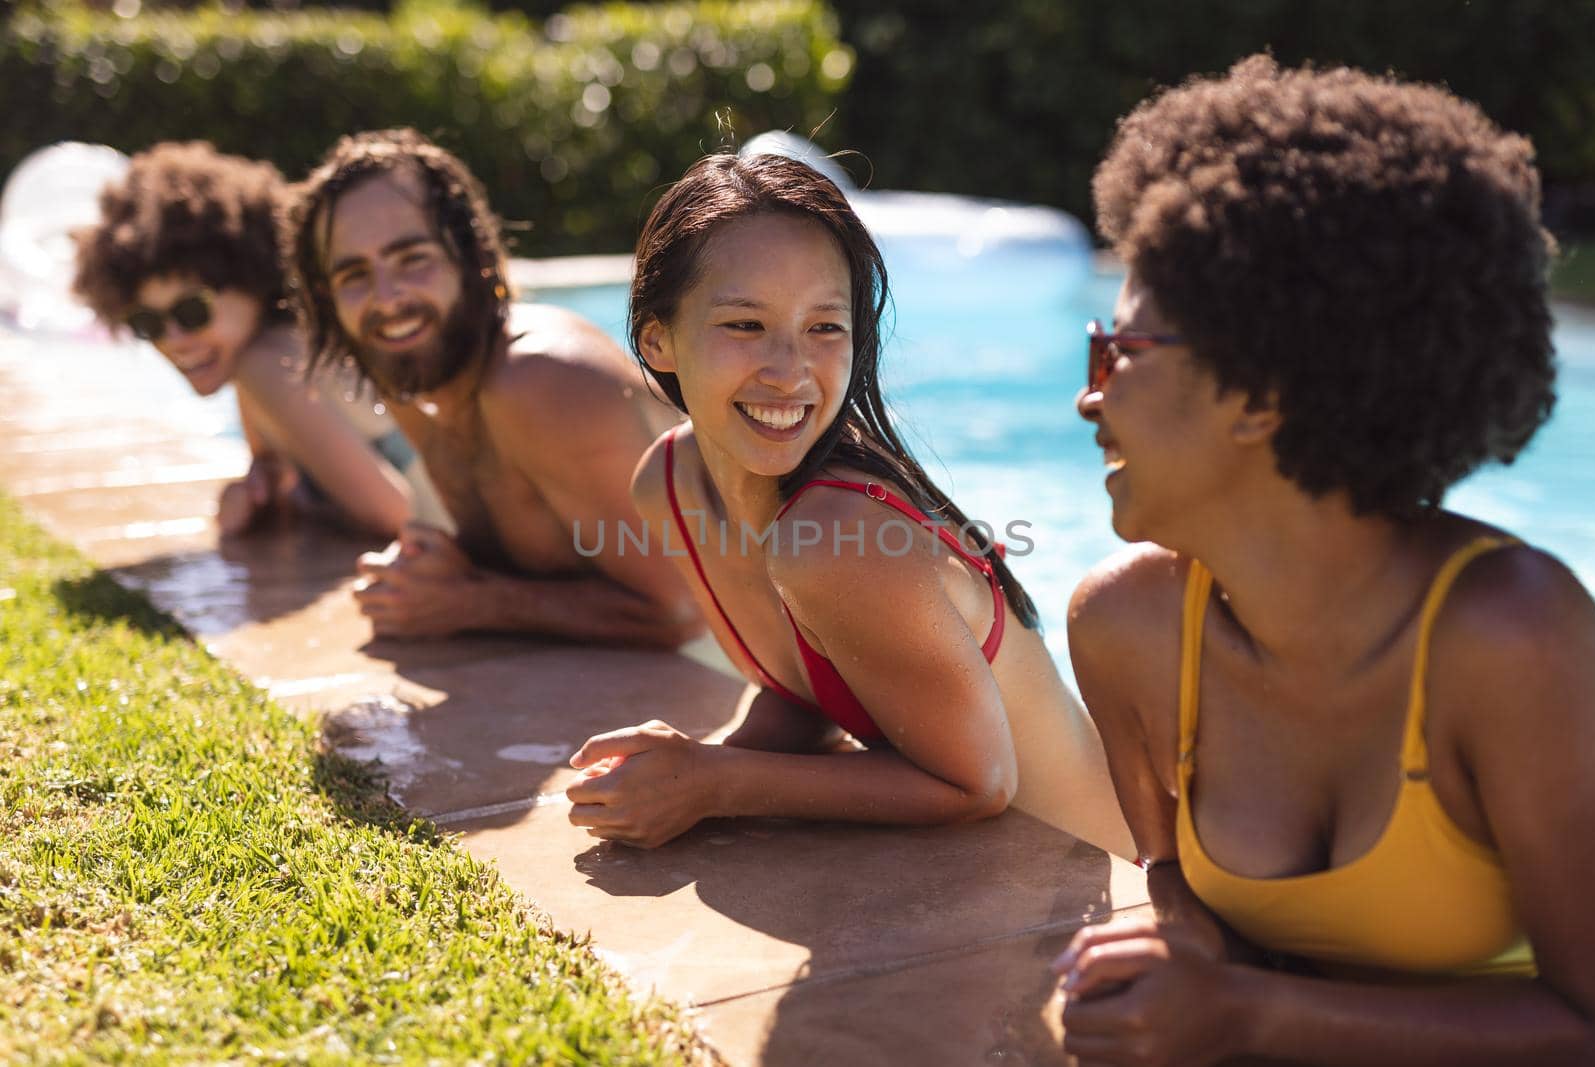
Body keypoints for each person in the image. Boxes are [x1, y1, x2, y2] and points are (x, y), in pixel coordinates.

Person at [1054, 56, 1595, 1064]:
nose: (1090, 398)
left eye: (1116, 353)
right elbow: (1168, 874)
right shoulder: (1121, 628)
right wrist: (1181, 934)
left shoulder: (1510, 634)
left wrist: (1249, 1012)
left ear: (1260, 395)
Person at [563, 152, 1133, 857]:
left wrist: (715, 781)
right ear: (657, 339)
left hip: (1090, 895)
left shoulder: (838, 534)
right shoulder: (671, 485)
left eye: (825, 327)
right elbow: (814, 688)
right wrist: (692, 765)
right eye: (745, 325)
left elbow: (977, 783)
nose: (789, 369)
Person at [282, 129, 700, 645]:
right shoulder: (409, 370)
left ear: (470, 253)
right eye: (354, 275)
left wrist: (471, 601)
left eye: (412, 258)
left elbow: (682, 610)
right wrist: (433, 566)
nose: (386, 300)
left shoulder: (544, 379)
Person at [71, 141, 436, 538]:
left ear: (253, 280)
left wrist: (309, 511)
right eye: (147, 323)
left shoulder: (266, 365)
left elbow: (395, 516)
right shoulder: (269, 357)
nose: (174, 340)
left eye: (192, 311)